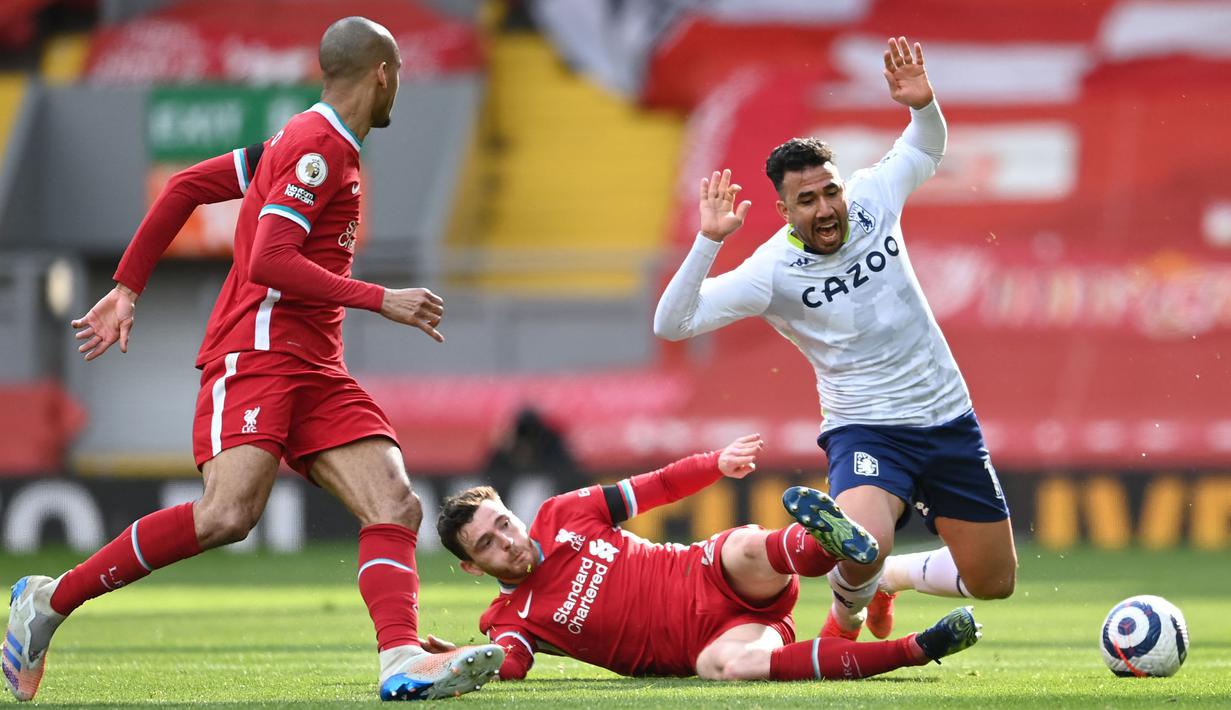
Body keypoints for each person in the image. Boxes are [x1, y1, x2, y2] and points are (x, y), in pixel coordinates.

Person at [3, 16, 503, 703]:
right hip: (260, 352)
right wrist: (378, 298)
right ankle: (51, 601)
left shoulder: (300, 142)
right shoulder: (318, 150)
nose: (399, 91)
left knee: (395, 503)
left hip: (316, 366)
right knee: (226, 516)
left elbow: (183, 187)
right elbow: (270, 262)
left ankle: (400, 659)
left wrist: (125, 287)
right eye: (399, 79)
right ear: (382, 74)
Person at [652, 36, 1017, 643]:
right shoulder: (770, 272)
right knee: (861, 541)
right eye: (806, 201)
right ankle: (843, 623)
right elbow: (672, 323)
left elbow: (925, 147)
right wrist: (709, 241)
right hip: (866, 427)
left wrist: (922, 105)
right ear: (782, 210)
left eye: (830, 191)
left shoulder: (874, 197)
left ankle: (890, 578)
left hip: (948, 417)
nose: (825, 208)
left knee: (994, 580)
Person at [434, 434, 980, 682]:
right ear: (472, 567)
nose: (505, 540)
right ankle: (919, 648)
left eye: (503, 523)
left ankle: (828, 544)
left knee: (743, 545)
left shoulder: (561, 513)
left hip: (708, 571)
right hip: (711, 643)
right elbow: (510, 666)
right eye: (486, 544)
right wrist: (455, 661)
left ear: (513, 513)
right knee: (730, 669)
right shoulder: (509, 620)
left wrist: (715, 461)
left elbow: (656, 486)